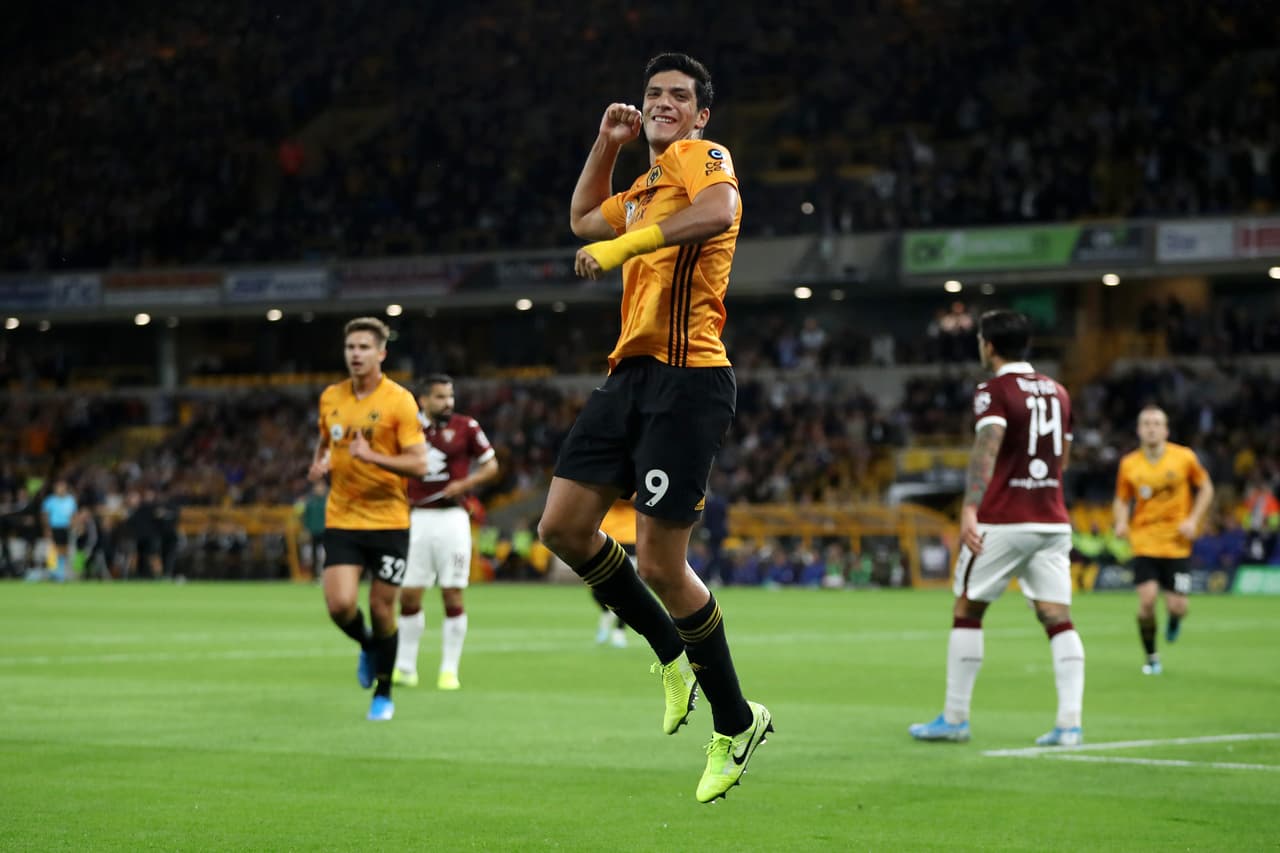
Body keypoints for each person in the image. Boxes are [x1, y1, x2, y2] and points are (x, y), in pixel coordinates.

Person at [538, 52, 771, 804]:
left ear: (701, 114)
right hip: (630, 374)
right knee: (561, 527)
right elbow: (581, 219)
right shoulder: (641, 188)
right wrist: (606, 144)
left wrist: (626, 245)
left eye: (678, 95)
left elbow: (720, 213)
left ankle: (736, 722)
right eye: (652, 94)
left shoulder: (704, 159)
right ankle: (671, 651)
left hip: (689, 378)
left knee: (663, 566)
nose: (662, 103)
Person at [909, 310, 1086, 747]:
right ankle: (1069, 724)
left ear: (988, 345)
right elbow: (1063, 458)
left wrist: (970, 507)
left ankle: (955, 719)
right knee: (1057, 617)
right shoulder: (1059, 391)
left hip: (1004, 518)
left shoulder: (994, 391)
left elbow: (986, 448)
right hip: (1051, 518)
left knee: (968, 609)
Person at [309, 317, 427, 721]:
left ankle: (384, 692)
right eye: (350, 347)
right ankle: (368, 644)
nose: (355, 354)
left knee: (381, 610)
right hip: (343, 517)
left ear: (381, 353)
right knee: (340, 605)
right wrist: (320, 462)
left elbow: (420, 464)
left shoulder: (400, 401)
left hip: (389, 522)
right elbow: (326, 440)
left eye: (363, 347)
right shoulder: (331, 397)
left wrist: (371, 456)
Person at [393, 374, 499, 690]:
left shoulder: (466, 426)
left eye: (450, 396)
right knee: (409, 593)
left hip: (453, 518)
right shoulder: (406, 428)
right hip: (416, 518)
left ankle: (449, 670)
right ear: (423, 400)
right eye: (440, 397)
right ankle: (405, 668)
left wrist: (465, 484)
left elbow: (491, 465)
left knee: (452, 592)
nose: (448, 403)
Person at [1113, 404, 1214, 675]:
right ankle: (1151, 657)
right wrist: (1121, 521)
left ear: (1166, 430)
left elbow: (1206, 487)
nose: (1151, 428)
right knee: (1146, 602)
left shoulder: (1184, 458)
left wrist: (1194, 520)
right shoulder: (1129, 464)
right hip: (1144, 541)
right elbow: (1122, 498)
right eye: (1146, 424)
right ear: (1138, 430)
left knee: (1178, 606)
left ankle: (1174, 620)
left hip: (1177, 544)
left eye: (1157, 424)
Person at [41, 479, 77, 582]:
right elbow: (45, 515)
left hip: (66, 528)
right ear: (55, 489)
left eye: (63, 487)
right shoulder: (49, 501)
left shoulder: (70, 500)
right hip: (54, 527)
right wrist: (47, 529)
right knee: (53, 549)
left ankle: (61, 572)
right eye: (59, 487)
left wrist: (74, 526)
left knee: (65, 550)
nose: (61, 489)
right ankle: (53, 572)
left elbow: (73, 515)